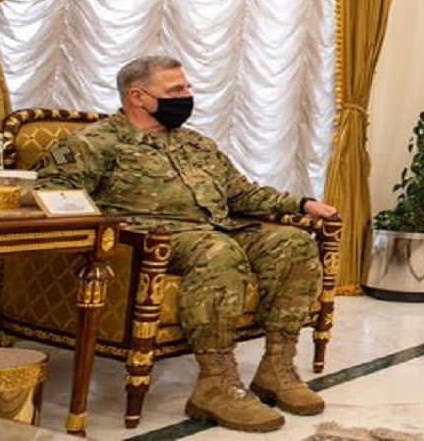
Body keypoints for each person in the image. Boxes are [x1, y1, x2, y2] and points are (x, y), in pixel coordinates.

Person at [33, 55, 339, 433]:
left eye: (187, 88)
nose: (186, 96)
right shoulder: (96, 142)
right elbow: (53, 192)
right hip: (150, 241)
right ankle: (216, 383)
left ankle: (277, 367)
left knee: (293, 243)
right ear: (138, 96)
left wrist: (302, 205)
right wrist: (111, 229)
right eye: (176, 90)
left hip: (216, 228)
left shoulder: (196, 144)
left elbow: (242, 194)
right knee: (218, 253)